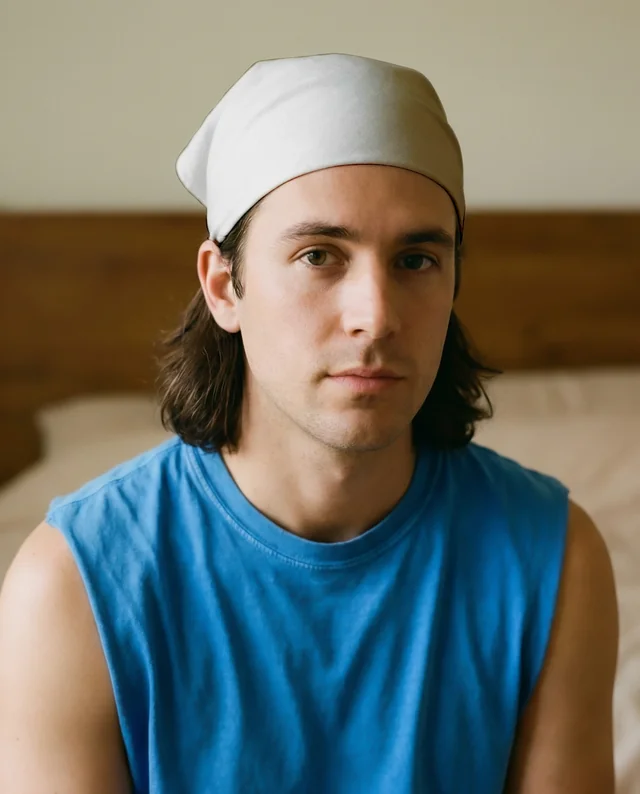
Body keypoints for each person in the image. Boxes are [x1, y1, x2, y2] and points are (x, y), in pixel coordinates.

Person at [0, 53, 618, 793]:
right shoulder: (72, 583)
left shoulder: (555, 560)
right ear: (225, 286)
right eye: (319, 255)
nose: (376, 316)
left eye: (416, 260)